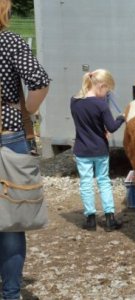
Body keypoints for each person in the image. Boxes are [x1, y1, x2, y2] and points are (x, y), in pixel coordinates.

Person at [0, 0, 51, 298]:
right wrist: (25, 112)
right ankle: (10, 293)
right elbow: (39, 81)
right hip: (7, 134)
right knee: (10, 221)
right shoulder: (9, 41)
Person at [70, 69, 124, 232]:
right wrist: (122, 117)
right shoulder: (101, 105)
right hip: (99, 150)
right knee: (103, 181)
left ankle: (90, 219)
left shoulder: (74, 101)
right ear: (102, 85)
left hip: (82, 149)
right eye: (108, 90)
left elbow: (85, 123)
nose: (107, 93)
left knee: (86, 183)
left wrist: (99, 128)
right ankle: (109, 219)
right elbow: (112, 127)